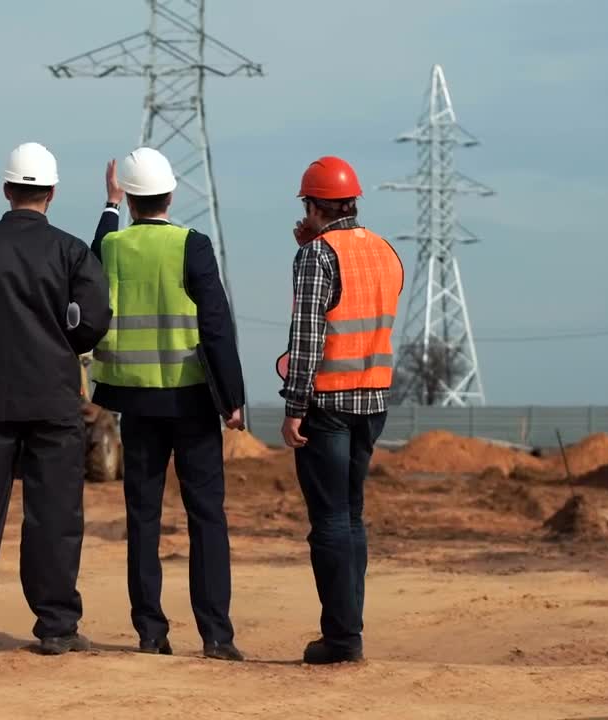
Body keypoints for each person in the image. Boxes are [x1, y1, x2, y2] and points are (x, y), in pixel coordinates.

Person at [0, 142, 112, 657]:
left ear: (7, 190)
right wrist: (68, 340)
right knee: (53, 516)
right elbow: (95, 320)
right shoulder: (71, 251)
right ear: (51, 193)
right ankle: (56, 626)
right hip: (55, 404)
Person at [90, 147, 247, 661]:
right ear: (172, 194)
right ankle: (216, 636)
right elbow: (216, 325)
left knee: (143, 517)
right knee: (207, 517)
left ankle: (151, 632)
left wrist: (109, 206)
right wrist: (233, 400)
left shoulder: (113, 246)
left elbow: (90, 279)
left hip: (136, 404)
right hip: (194, 402)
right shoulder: (192, 245)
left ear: (130, 197)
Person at [276, 156, 403, 665]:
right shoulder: (385, 251)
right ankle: (351, 628)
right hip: (373, 401)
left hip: (326, 403)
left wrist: (294, 407)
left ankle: (342, 638)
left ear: (312, 205)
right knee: (351, 517)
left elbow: (308, 339)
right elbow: (358, 305)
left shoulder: (317, 257)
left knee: (328, 522)